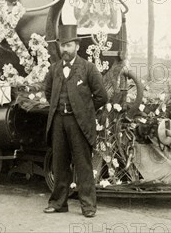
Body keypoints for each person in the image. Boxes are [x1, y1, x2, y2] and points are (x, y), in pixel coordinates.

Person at [43, 25, 108, 217]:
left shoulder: (88, 68)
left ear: (77, 47)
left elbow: (102, 97)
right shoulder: (54, 69)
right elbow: (48, 93)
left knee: (83, 166)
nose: (65, 49)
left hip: (79, 123)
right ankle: (58, 204)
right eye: (62, 46)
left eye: (69, 45)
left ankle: (88, 207)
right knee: (59, 164)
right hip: (58, 123)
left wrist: (84, 110)